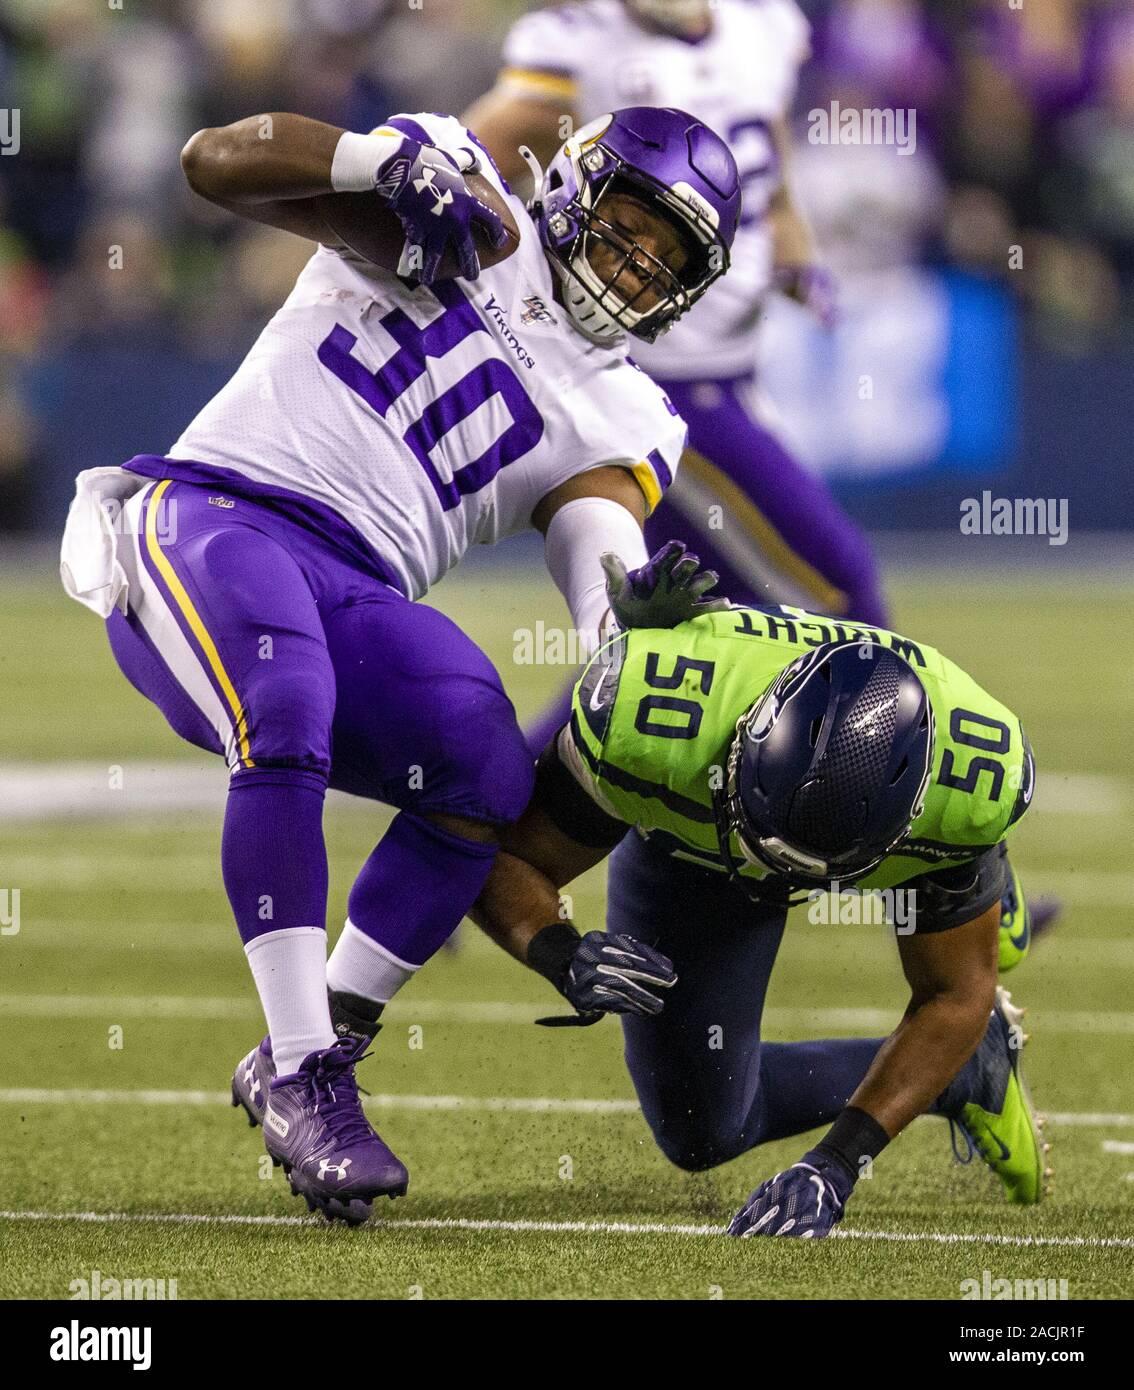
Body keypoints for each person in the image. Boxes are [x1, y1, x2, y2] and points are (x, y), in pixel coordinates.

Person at [60, 106, 740, 1224]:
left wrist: (623, 624)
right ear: (577, 184)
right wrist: (380, 167)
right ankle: (307, 1072)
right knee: (285, 697)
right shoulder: (464, 182)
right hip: (214, 516)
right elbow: (211, 162)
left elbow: (595, 541)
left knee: (480, 762)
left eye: (667, 262)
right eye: (630, 228)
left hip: (359, 588)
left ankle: (326, 1030)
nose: (636, 267)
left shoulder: (626, 411)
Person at [467, 592, 1051, 1237]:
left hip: (905, 838)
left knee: (960, 928)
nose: (784, 872)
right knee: (701, 1130)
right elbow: (500, 858)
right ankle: (974, 1056)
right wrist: (558, 950)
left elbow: (954, 994)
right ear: (748, 737)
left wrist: (837, 1164)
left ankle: (978, 891)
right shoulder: (648, 716)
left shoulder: (969, 786)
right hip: (698, 842)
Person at [464, 0, 889, 754]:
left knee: (673, 627)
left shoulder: (760, 25)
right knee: (837, 596)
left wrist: (792, 247)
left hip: (732, 376)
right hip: (652, 388)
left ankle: (505, 806)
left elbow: (769, 167)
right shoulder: (579, 41)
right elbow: (468, 164)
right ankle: (878, 817)